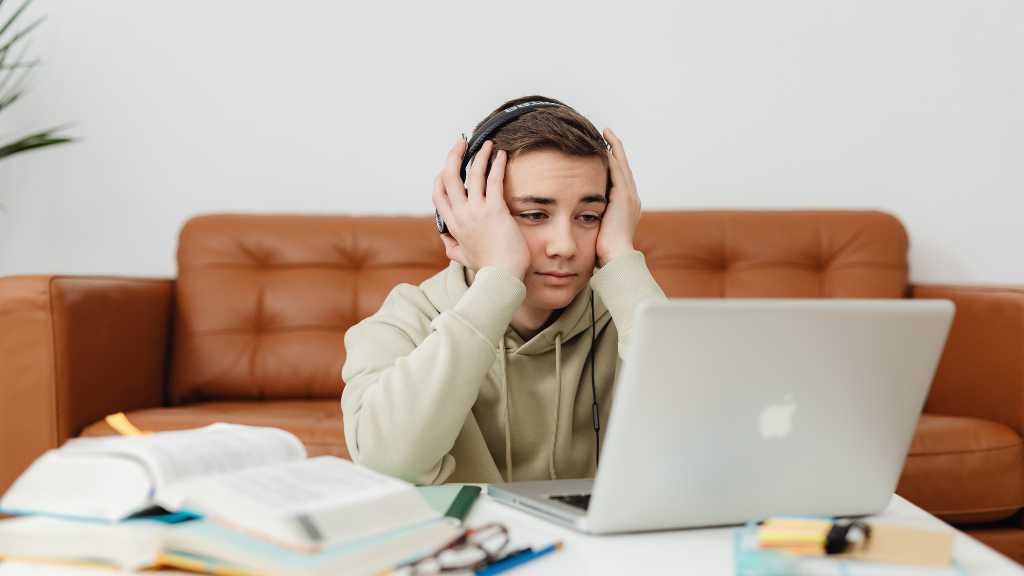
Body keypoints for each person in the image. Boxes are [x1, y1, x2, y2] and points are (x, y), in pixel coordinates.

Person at [341, 95, 667, 485]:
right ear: (459, 218)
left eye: (588, 216)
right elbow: (389, 465)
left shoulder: (629, 314)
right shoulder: (403, 321)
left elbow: (708, 444)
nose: (564, 245)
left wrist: (620, 256)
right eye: (533, 215)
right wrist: (499, 278)